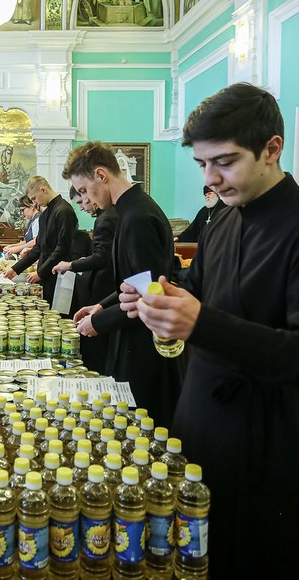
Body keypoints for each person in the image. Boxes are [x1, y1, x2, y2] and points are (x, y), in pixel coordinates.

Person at [119, 83, 299, 579]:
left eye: (226, 162)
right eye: (202, 165)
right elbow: (199, 286)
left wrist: (200, 322)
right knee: (197, 553)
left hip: (264, 436)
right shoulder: (224, 219)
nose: (211, 179)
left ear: (272, 149)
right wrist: (156, 296)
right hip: (201, 413)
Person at [64, 142, 182, 424]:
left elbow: (148, 294)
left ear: (101, 175)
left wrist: (100, 322)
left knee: (143, 423)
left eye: (82, 190)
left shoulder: (137, 217)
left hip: (144, 342)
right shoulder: (129, 209)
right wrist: (100, 306)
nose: (84, 197)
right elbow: (132, 282)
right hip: (132, 330)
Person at [53, 186, 117, 373]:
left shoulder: (105, 219)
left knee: (96, 348)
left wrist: (71, 265)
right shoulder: (110, 215)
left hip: (104, 288)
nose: (81, 207)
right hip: (109, 290)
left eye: (81, 201)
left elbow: (102, 258)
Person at [2, 176, 77, 307]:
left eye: (34, 198)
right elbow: (38, 248)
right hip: (46, 275)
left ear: (43, 189)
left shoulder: (64, 211)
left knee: (60, 317)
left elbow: (62, 249)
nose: (35, 203)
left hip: (62, 276)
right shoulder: (45, 214)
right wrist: (15, 269)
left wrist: (40, 272)